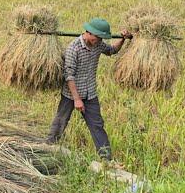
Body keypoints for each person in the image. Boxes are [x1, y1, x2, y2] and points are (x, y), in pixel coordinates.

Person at [46, 18, 132, 161]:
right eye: (97, 37)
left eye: (101, 38)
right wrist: (77, 99)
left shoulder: (98, 44)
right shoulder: (74, 48)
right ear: (88, 33)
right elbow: (69, 76)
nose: (98, 40)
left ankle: (106, 159)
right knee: (60, 121)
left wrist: (123, 39)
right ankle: (48, 147)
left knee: (97, 125)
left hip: (90, 93)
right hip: (70, 95)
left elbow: (111, 51)